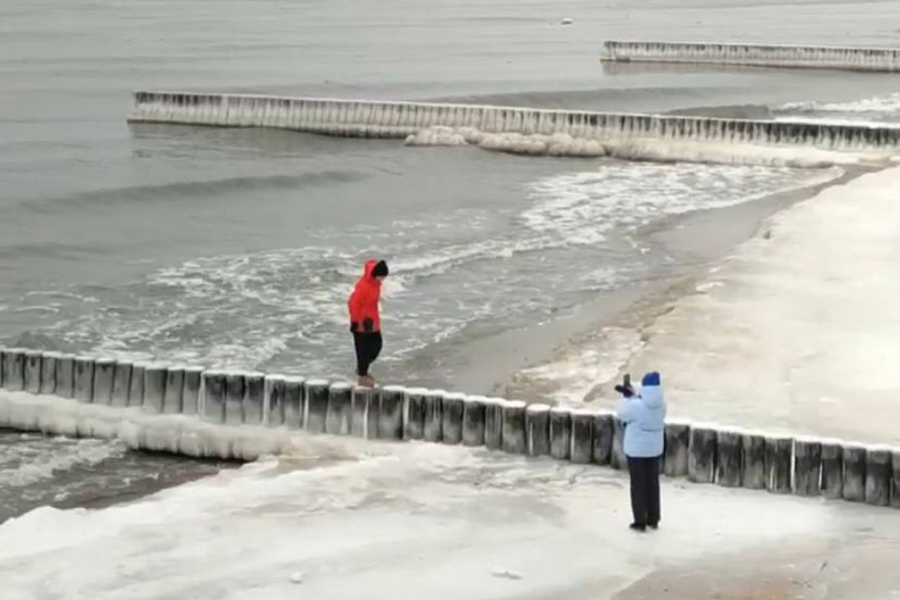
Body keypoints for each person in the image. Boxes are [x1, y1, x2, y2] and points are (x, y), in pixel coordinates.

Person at [617, 371, 666, 532]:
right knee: (652, 484)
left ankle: (640, 521)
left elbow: (622, 414)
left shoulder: (635, 406)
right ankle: (653, 518)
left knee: (638, 485)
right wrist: (634, 394)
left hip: (637, 450)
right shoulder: (662, 404)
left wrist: (626, 397)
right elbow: (646, 401)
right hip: (654, 449)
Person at [348, 259, 388, 387]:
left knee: (377, 345)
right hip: (361, 323)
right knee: (363, 350)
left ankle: (362, 370)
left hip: (373, 320)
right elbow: (353, 303)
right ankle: (362, 375)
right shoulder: (364, 286)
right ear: (376, 274)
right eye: (382, 276)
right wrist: (355, 321)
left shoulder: (376, 284)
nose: (383, 279)